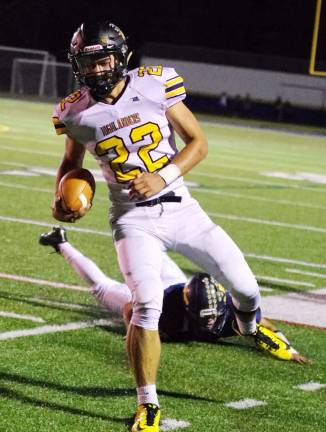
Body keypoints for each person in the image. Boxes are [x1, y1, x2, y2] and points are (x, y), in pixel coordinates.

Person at [50, 20, 271, 431]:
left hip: (183, 209)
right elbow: (71, 163)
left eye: (102, 60)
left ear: (121, 57)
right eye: (87, 62)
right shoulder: (73, 110)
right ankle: (147, 403)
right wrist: (62, 195)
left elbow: (198, 143)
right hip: (132, 219)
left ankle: (249, 327)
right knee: (146, 305)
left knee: (246, 288)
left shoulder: (154, 84)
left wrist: (161, 176)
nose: (96, 70)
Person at [39, 226, 309, 366]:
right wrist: (132, 331)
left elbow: (261, 322)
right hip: (160, 291)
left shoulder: (224, 311)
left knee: (156, 252)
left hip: (178, 282)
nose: (213, 325)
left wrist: (287, 347)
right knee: (102, 286)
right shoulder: (164, 310)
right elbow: (130, 310)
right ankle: (61, 242)